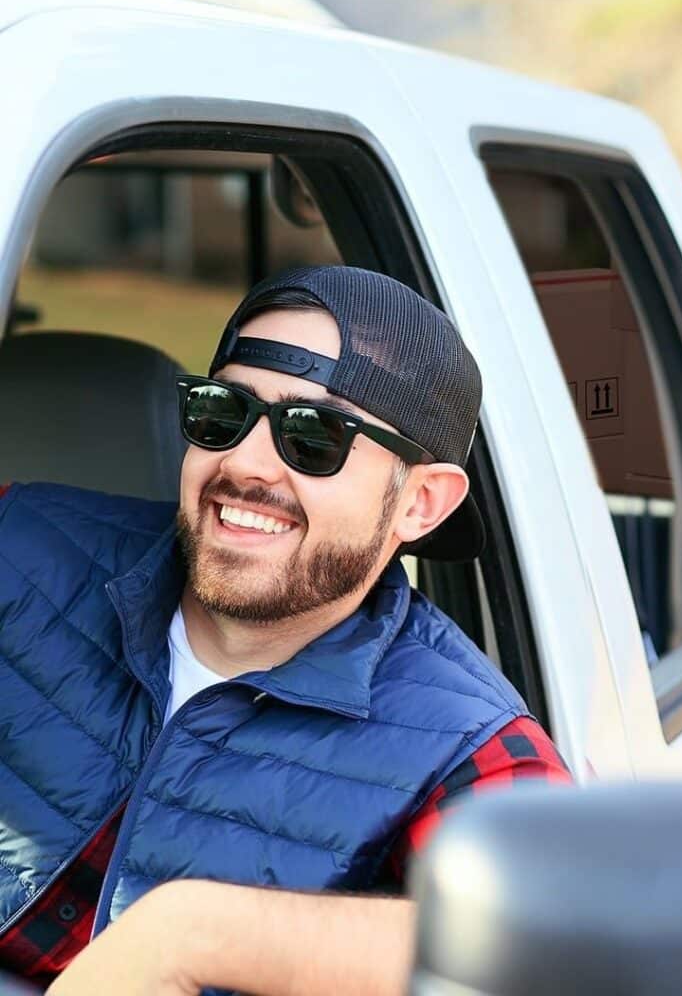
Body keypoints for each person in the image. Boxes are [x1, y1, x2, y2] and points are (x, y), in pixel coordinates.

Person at [0, 265, 570, 995]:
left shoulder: (465, 743)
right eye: (223, 412)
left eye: (314, 437)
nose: (243, 463)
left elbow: (555, 939)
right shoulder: (18, 541)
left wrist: (193, 934)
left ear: (422, 504)